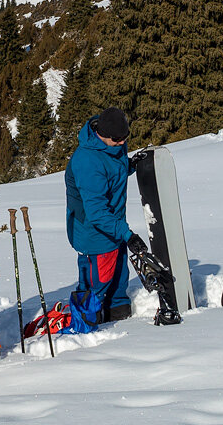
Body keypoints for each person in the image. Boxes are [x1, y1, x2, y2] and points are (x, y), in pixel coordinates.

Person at [64, 106, 148, 325]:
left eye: (125, 138)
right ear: (103, 135)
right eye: (118, 140)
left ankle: (117, 314)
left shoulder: (113, 143)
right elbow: (97, 212)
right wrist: (128, 235)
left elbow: (112, 172)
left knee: (119, 279)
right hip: (95, 233)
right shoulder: (88, 161)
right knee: (98, 284)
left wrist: (130, 165)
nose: (122, 144)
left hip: (114, 225)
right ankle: (84, 327)